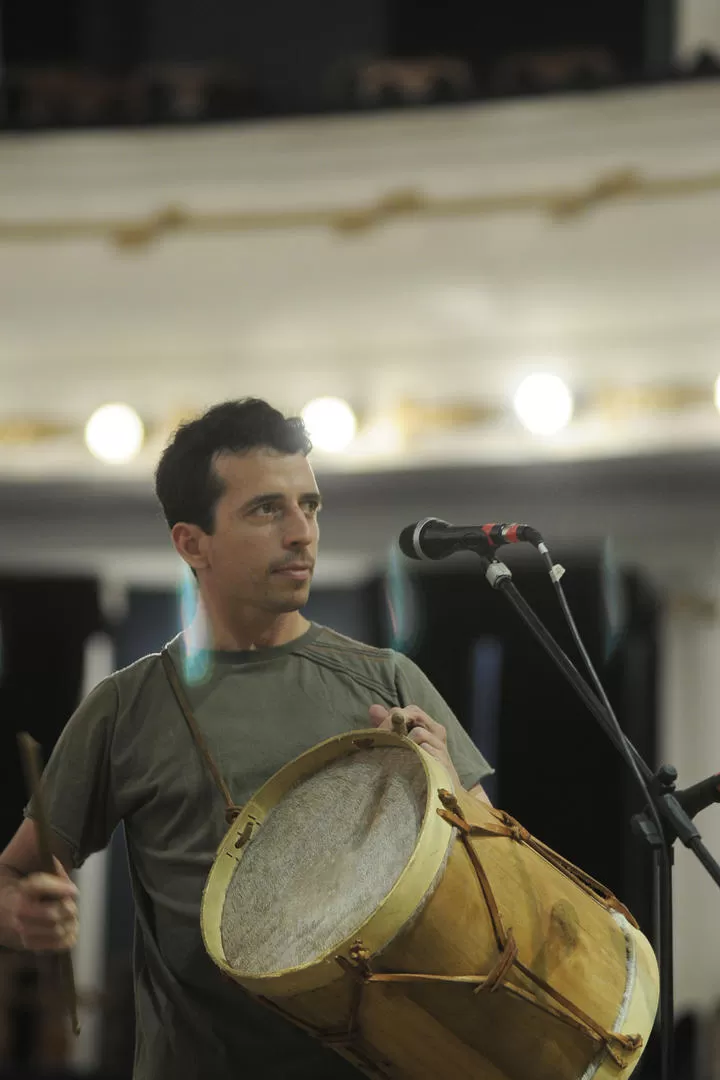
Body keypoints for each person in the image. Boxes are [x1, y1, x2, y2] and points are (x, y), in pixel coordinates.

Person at [0, 399, 494, 1079]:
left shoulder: (388, 678)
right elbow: (14, 874)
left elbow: (497, 878)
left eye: (310, 506)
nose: (302, 533)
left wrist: (450, 794)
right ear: (191, 543)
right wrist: (21, 913)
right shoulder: (125, 706)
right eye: (267, 510)